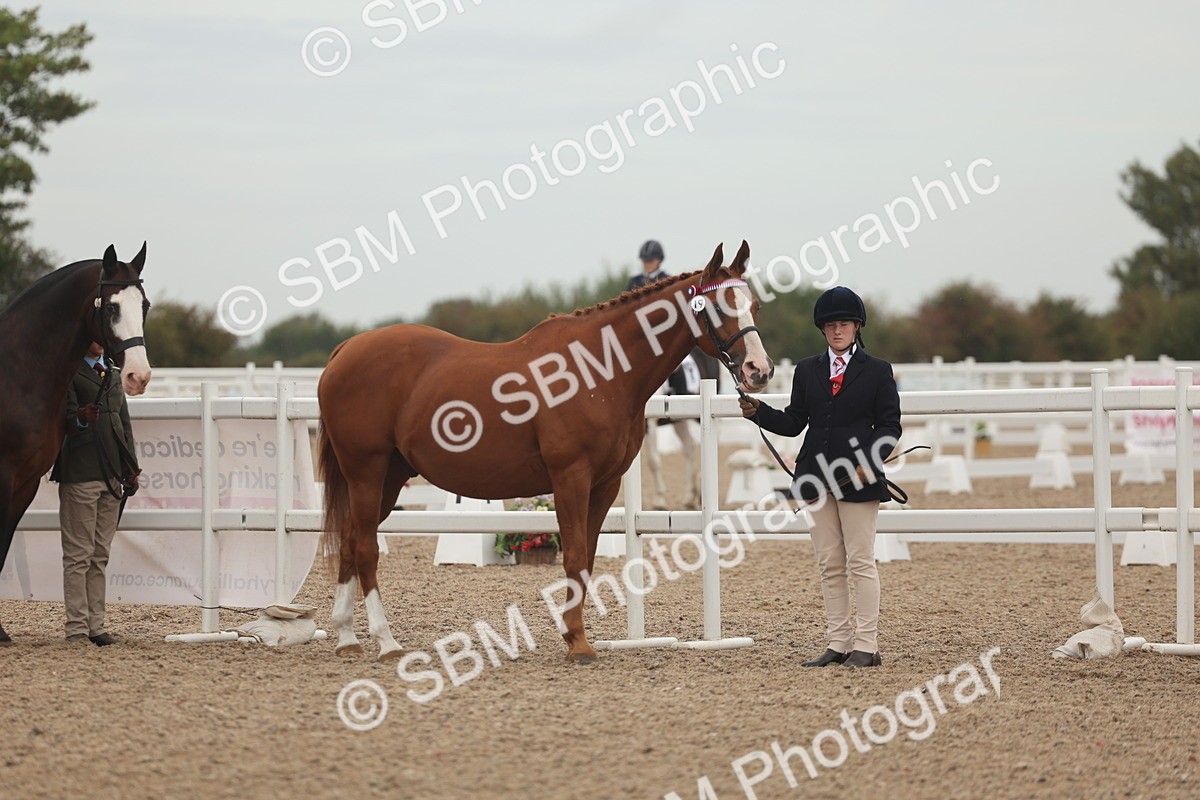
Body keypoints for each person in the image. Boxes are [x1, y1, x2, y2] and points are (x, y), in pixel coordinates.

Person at [739, 287, 901, 668]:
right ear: (822, 329)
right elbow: (796, 422)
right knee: (829, 563)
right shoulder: (807, 369)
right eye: (830, 325)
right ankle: (837, 643)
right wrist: (758, 412)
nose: (837, 330)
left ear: (857, 326)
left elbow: (890, 426)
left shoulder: (877, 371)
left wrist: (870, 458)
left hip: (857, 479)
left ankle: (866, 644)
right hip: (815, 477)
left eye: (843, 323)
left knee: (860, 561)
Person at [51, 342, 140, 646]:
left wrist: (131, 467)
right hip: (80, 471)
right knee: (78, 554)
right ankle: (76, 628)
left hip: (111, 473)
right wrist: (79, 419)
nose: (97, 341)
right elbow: (63, 420)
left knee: (99, 554)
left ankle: (95, 625)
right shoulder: (67, 371)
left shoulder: (113, 372)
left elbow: (123, 423)